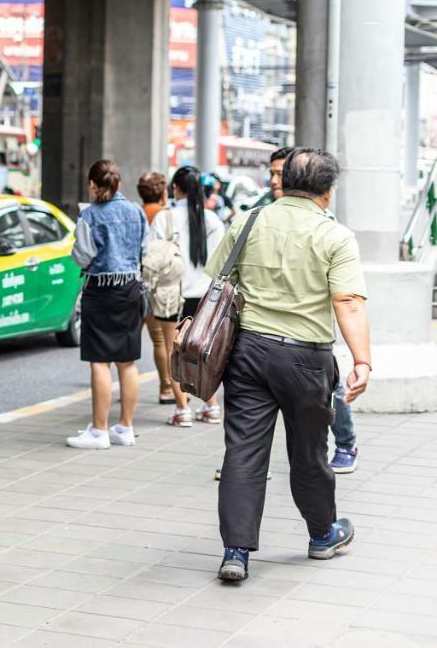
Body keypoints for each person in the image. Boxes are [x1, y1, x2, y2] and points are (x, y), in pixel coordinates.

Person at [210, 148, 370, 583]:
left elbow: (218, 277)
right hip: (306, 359)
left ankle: (236, 552)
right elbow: (348, 302)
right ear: (328, 190)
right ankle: (322, 534)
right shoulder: (334, 235)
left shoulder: (248, 221)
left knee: (242, 451)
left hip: (246, 353)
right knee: (308, 452)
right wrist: (362, 361)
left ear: (283, 181)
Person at [249, 148, 358, 471]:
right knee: (257, 402)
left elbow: (345, 295)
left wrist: (362, 359)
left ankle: (346, 442)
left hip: (309, 333)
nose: (274, 180)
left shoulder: (324, 221)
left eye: (281, 173)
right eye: (271, 173)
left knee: (333, 391)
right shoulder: (257, 214)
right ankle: (252, 464)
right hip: (261, 333)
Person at [67, 160, 147, 450]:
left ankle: (99, 431)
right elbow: (144, 250)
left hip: (100, 292)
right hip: (130, 289)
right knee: (127, 362)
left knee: (100, 361)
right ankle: (125, 428)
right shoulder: (136, 212)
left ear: (92, 185)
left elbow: (82, 257)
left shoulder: (89, 217)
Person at [155, 166, 226, 427]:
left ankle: (182, 409)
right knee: (203, 351)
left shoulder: (165, 219)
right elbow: (223, 262)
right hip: (206, 296)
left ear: (176, 188)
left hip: (172, 294)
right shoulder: (212, 220)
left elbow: (151, 255)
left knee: (174, 351)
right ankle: (211, 405)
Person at [136, 171, 175, 404]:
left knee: (128, 336)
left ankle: (125, 380)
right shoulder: (166, 216)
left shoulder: (135, 214)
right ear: (162, 192)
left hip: (132, 282)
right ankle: (166, 388)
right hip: (157, 283)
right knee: (160, 339)